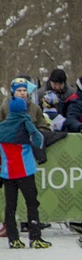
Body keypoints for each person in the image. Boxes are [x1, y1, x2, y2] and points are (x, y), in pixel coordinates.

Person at [0, 88, 50, 249]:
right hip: (25, 170)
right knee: (31, 203)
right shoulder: (25, 122)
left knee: (10, 205)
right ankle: (35, 237)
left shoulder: (2, 126)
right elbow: (38, 138)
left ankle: (13, 238)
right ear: (23, 109)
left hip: (7, 172)